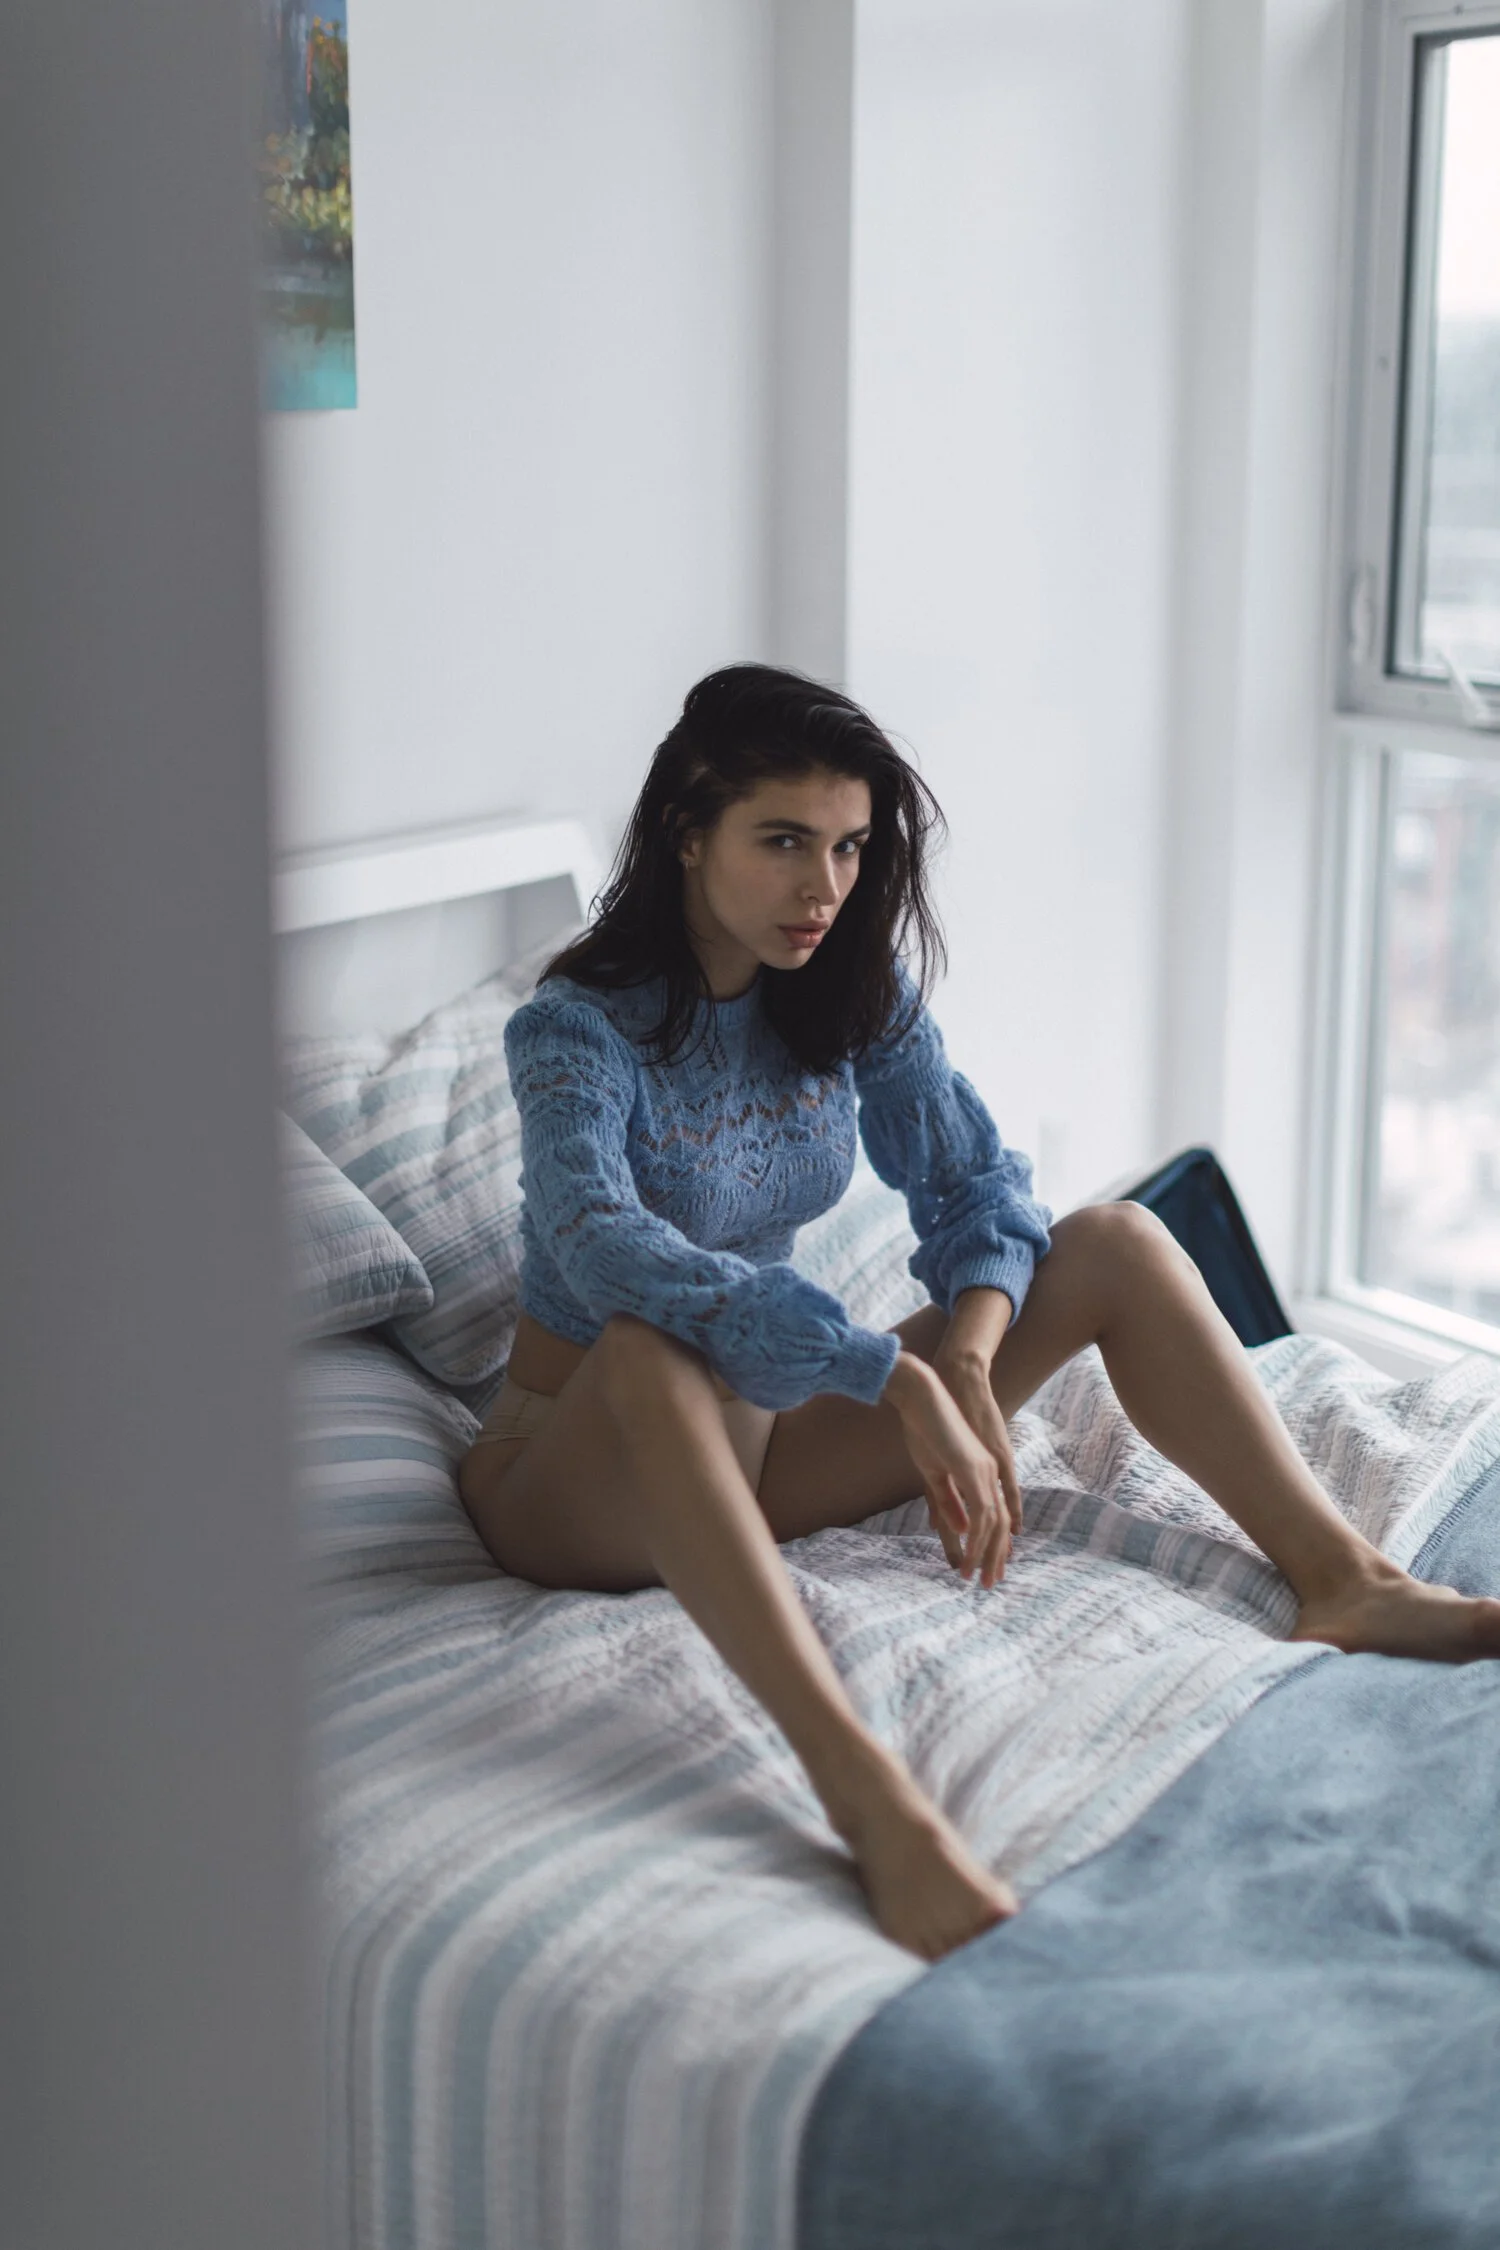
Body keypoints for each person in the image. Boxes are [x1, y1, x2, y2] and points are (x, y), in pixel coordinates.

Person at [459, 663, 1500, 1962]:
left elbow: (972, 1186)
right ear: (687, 830)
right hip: (577, 1468)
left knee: (1113, 1241)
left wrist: (959, 1356)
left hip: (765, 1440)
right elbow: (602, 1246)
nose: (824, 886)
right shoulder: (574, 1031)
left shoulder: (845, 987)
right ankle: (874, 1804)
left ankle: (1345, 1577)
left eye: (847, 847)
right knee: (654, 1348)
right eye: (783, 841)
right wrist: (879, 1373)